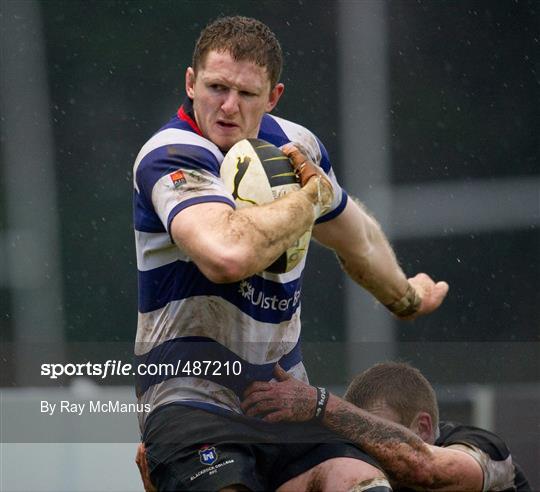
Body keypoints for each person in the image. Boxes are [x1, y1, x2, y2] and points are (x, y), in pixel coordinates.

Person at [132, 15, 448, 491]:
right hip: (189, 400)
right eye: (216, 87)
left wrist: (403, 296)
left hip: (282, 396)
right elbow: (227, 257)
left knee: (363, 483)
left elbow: (355, 236)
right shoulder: (172, 154)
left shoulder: (297, 146)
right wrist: (308, 202)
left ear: (274, 96)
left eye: (247, 94)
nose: (228, 106)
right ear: (191, 83)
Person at [241, 362, 531, 491]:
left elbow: (424, 467)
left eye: (375, 435)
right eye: (360, 443)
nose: (368, 455)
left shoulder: (481, 448)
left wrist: (320, 405)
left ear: (424, 428)